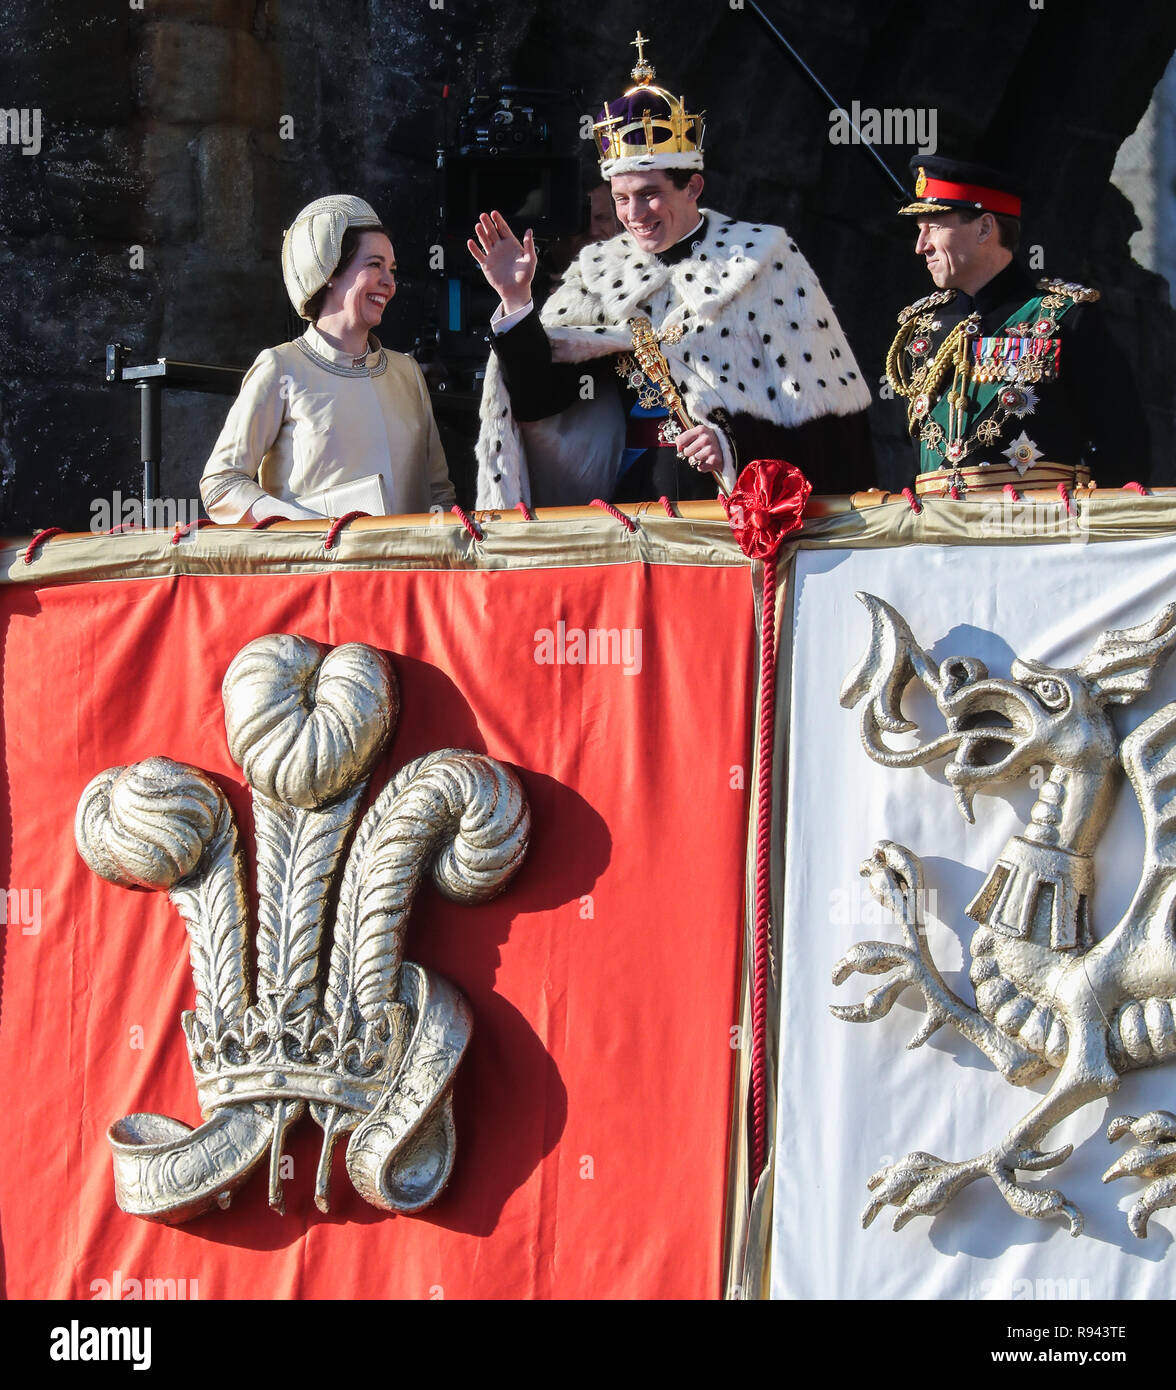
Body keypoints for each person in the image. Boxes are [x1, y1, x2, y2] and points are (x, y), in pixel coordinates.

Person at [468, 33, 873, 509]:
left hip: (729, 511)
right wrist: (516, 299)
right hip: (627, 509)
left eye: (649, 193)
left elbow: (828, 423)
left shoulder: (764, 259)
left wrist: (731, 444)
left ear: (693, 186)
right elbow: (537, 404)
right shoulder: (598, 272)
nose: (633, 213)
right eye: (621, 198)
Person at [885, 155, 1150, 497]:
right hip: (941, 540)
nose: (921, 246)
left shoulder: (1064, 318)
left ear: (984, 228)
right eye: (919, 230)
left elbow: (1124, 446)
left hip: (1034, 539)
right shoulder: (922, 328)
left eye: (934, 227)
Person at [201, 194, 455, 523]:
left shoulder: (407, 373)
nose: (390, 283)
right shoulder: (281, 368)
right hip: (321, 573)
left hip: (405, 572)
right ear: (330, 271)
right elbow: (221, 484)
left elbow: (440, 493)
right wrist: (298, 522)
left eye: (392, 269)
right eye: (374, 265)